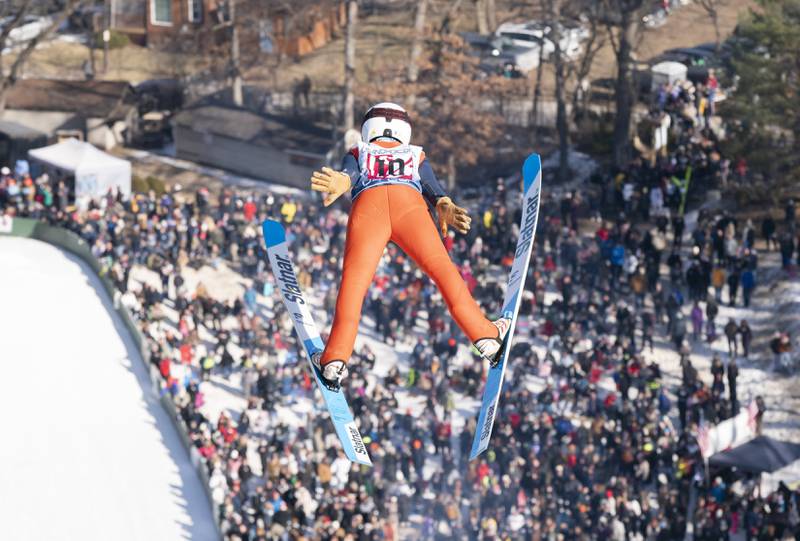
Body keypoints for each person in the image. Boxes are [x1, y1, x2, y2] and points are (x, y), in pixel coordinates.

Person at [307, 102, 510, 387]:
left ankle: (335, 360)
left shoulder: (359, 151)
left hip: (369, 206)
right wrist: (444, 203)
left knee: (354, 284)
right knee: (443, 271)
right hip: (409, 207)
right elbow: (432, 186)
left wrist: (342, 181)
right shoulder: (415, 154)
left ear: (369, 127)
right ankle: (485, 337)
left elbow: (348, 173)